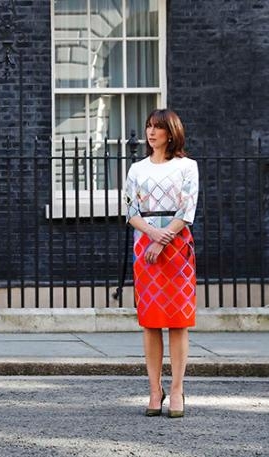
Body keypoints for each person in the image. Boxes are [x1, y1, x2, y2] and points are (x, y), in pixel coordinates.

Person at [123, 109, 198, 419]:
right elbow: (131, 211)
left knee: (178, 320)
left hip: (177, 247)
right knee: (150, 321)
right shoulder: (137, 169)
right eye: (149, 127)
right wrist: (152, 235)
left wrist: (161, 238)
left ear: (171, 132)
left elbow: (187, 209)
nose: (151, 132)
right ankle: (155, 390)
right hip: (146, 247)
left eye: (157, 127)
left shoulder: (187, 166)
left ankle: (177, 389)